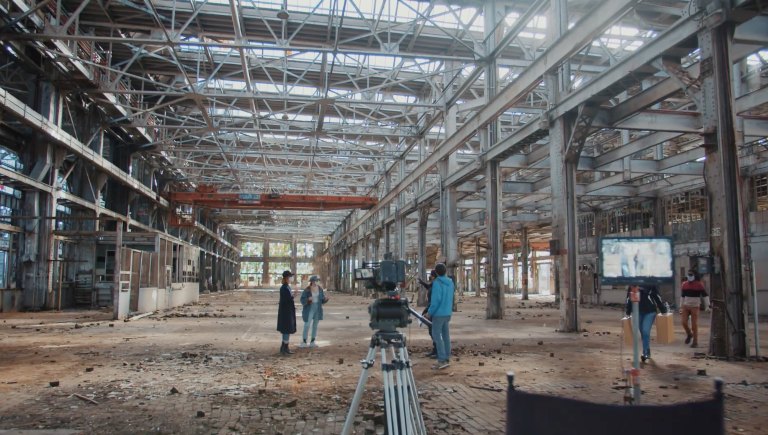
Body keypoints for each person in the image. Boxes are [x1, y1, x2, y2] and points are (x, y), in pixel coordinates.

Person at [625, 284, 668, 362]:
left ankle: (646, 352)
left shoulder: (650, 284)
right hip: (637, 312)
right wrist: (628, 311)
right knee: (642, 332)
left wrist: (663, 310)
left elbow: (657, 297)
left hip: (650, 312)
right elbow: (629, 299)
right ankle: (646, 350)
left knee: (645, 331)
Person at [425, 263, 454, 370]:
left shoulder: (437, 283)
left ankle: (441, 360)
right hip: (447, 313)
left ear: (436, 273)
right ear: (445, 271)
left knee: (436, 335)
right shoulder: (450, 282)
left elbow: (436, 300)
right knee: (446, 336)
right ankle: (446, 357)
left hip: (438, 314)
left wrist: (429, 312)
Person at [679, 270, 710, 348]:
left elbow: (705, 296)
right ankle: (689, 334)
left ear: (695, 276)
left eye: (691, 275)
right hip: (686, 305)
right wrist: (681, 306)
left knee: (694, 325)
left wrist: (707, 306)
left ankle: (695, 342)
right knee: (683, 322)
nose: (689, 276)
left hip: (695, 306)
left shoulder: (699, 285)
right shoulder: (684, 284)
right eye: (688, 275)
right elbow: (682, 296)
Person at [299, 275, 330, 348]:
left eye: (318, 280)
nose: (317, 282)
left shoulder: (320, 289)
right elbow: (302, 299)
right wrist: (308, 300)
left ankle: (312, 341)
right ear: (312, 281)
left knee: (315, 325)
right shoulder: (307, 290)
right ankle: (304, 341)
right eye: (316, 280)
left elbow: (322, 300)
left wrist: (326, 299)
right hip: (309, 308)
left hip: (318, 308)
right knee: (307, 324)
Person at [418, 269, 438, 358]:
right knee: (432, 331)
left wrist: (427, 311)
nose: (430, 276)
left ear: (434, 276)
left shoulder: (437, 285)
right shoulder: (434, 284)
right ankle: (435, 350)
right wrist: (422, 283)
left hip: (433, 311)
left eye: (431, 275)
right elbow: (428, 286)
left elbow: (434, 302)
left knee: (434, 331)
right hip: (431, 309)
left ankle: (438, 351)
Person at [276, 270, 297, 355]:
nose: (291, 278)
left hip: (288, 311)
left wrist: (292, 297)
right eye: (290, 276)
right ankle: (284, 348)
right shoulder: (284, 288)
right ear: (287, 278)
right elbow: (286, 300)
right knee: (286, 330)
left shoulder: (287, 287)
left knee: (287, 330)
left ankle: (285, 347)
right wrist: (293, 296)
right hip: (285, 312)